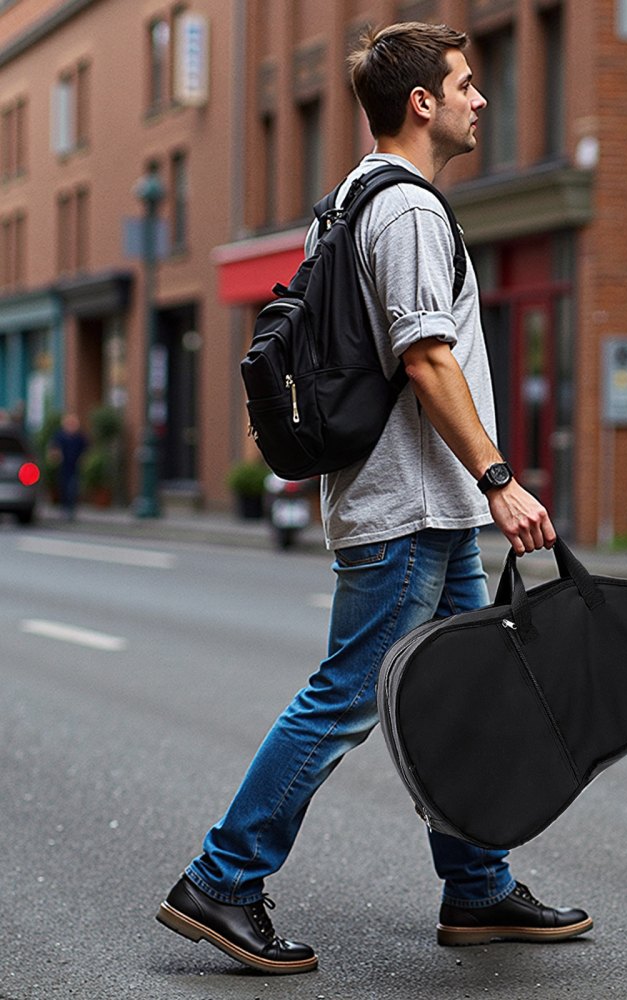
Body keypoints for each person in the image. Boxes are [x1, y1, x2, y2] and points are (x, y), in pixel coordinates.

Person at [157, 21, 592, 976]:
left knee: (467, 699)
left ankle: (476, 886)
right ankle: (224, 877)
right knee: (344, 699)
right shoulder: (405, 214)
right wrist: (500, 480)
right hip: (409, 512)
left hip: (425, 512)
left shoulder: (352, 200)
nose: (484, 99)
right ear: (421, 103)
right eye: (468, 85)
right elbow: (426, 359)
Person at [50, 413, 89, 520]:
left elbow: (86, 449)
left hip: (75, 467)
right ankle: (64, 508)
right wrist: (55, 456)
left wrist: (83, 460)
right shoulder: (60, 435)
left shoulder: (79, 436)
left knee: (73, 488)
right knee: (63, 487)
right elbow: (54, 447)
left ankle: (71, 509)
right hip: (63, 466)